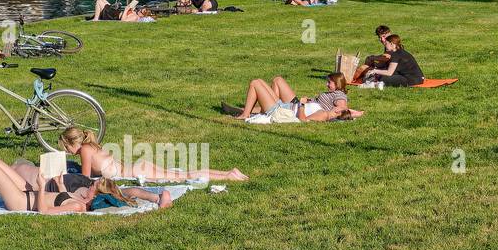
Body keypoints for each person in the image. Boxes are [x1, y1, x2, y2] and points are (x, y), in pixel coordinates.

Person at [60, 128, 247, 181]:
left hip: (137, 171)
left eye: (65, 147)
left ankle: (229, 176)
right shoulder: (91, 145)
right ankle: (229, 172)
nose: (67, 151)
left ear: (71, 142)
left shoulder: (85, 150)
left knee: (184, 177)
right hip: (138, 166)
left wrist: (66, 176)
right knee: (185, 174)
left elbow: (85, 177)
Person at [7, 159, 173, 209]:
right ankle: (157, 197)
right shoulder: (90, 193)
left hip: (50, 183)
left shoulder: (86, 198)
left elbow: (46, 210)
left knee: (15, 167)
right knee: (122, 192)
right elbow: (127, 192)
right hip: (64, 181)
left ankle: (157, 197)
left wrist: (45, 185)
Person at [228, 73, 358, 123]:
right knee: (274, 80)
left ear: (337, 83)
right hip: (291, 107)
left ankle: (246, 113)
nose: (326, 84)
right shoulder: (328, 103)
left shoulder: (339, 95)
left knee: (255, 82)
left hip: (291, 109)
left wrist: (346, 113)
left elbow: (343, 107)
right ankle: (257, 109)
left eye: (329, 82)